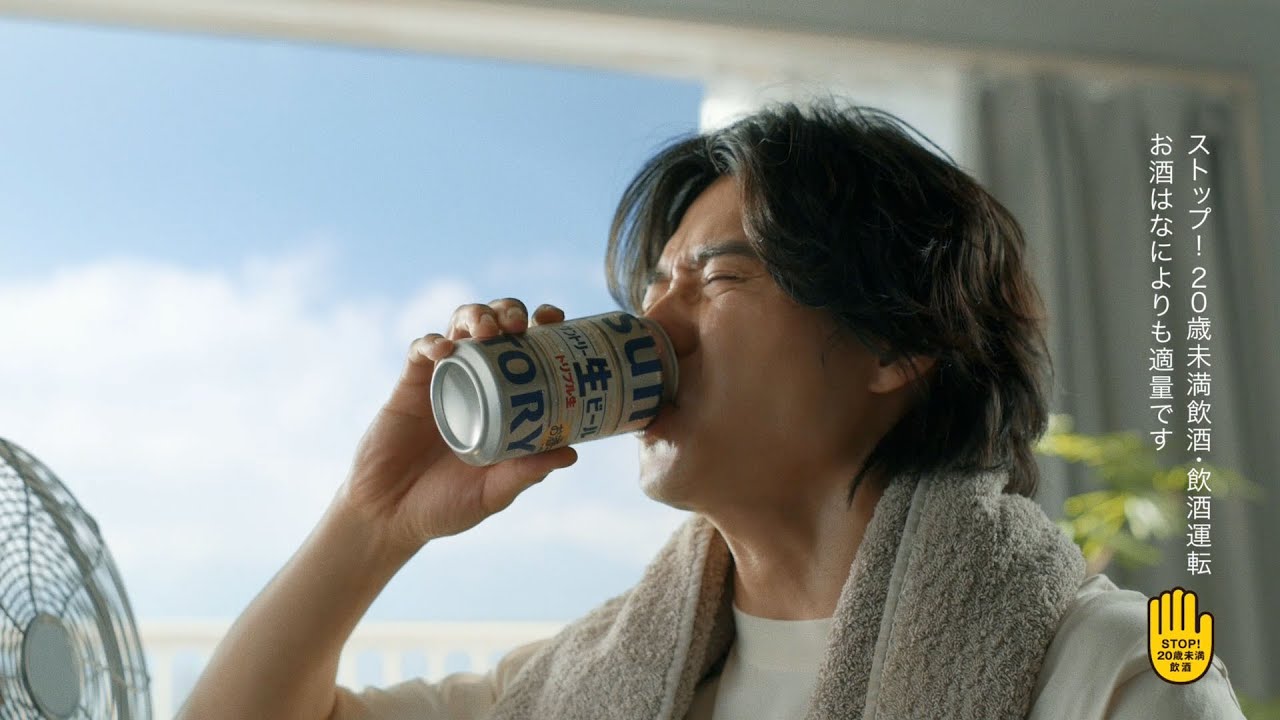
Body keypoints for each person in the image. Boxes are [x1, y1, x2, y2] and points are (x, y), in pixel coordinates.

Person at [178, 102, 1246, 719]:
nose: (656, 324)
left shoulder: (1123, 673)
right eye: (654, 286)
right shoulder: (591, 681)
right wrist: (374, 518)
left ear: (895, 343)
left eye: (719, 280)